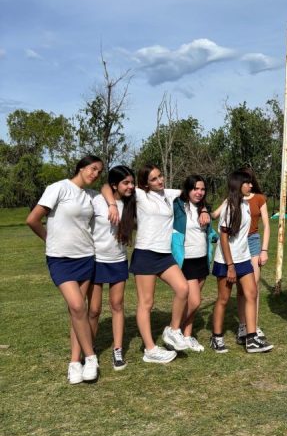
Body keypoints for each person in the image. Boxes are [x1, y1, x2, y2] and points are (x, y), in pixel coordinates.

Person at [104, 163, 194, 364]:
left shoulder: (168, 194)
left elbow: (192, 192)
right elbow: (106, 187)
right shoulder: (139, 194)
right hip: (145, 253)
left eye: (160, 176)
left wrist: (203, 208)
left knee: (183, 289)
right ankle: (150, 349)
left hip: (165, 254)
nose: (160, 180)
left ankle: (173, 331)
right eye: (154, 179)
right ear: (145, 183)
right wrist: (111, 204)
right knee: (146, 303)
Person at [26, 154, 104, 384]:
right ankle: (90, 358)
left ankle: (74, 363)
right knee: (78, 306)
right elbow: (32, 219)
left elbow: (109, 192)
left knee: (76, 312)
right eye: (92, 169)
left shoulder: (91, 196)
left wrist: (110, 202)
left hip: (85, 257)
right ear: (81, 168)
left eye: (99, 172)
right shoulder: (58, 188)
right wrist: (48, 239)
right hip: (60, 259)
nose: (95, 174)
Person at [211, 170, 273, 354]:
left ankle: (251, 338)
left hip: (244, 258)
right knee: (223, 299)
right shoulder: (229, 207)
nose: (251, 185)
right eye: (247, 183)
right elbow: (224, 238)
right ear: (238, 185)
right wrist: (230, 266)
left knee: (251, 293)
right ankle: (216, 337)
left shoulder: (245, 204)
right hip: (226, 260)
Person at [88, 165, 136, 370]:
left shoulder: (132, 202)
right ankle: (89, 350)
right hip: (96, 260)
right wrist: (112, 204)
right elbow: (104, 186)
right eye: (126, 183)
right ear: (115, 184)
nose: (130, 186)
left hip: (118, 260)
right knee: (94, 310)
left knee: (117, 305)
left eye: (132, 182)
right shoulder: (98, 201)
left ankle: (117, 350)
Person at [172, 175, 214, 353]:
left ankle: (187, 335)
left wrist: (204, 210)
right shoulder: (178, 206)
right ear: (188, 189)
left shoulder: (204, 208)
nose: (199, 192)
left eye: (202, 189)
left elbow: (208, 231)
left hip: (202, 258)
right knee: (195, 301)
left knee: (192, 302)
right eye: (195, 188)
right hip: (186, 260)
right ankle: (173, 330)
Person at [235, 166, 270, 346]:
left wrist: (264, 250)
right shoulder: (234, 198)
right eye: (245, 181)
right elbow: (218, 214)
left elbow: (266, 225)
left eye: (249, 180)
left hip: (253, 241)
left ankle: (253, 326)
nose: (248, 184)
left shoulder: (259, 198)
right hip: (237, 243)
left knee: (253, 286)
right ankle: (243, 326)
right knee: (241, 288)